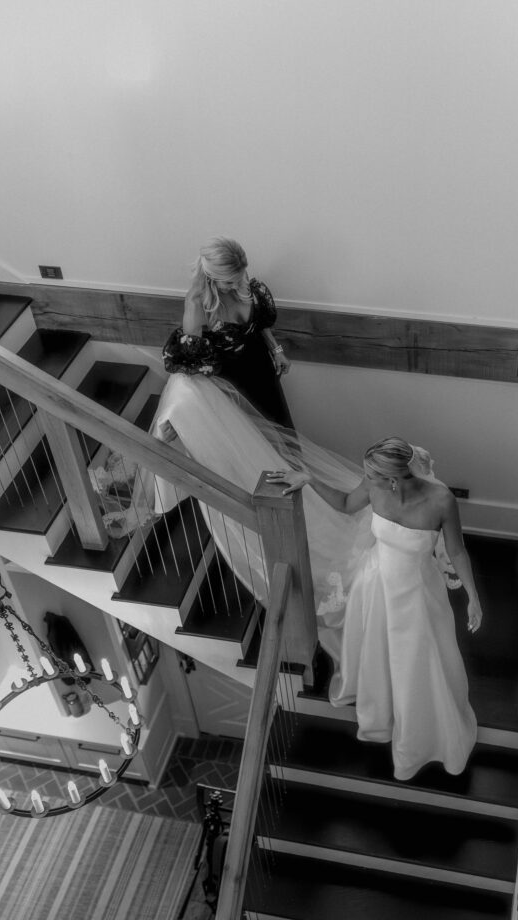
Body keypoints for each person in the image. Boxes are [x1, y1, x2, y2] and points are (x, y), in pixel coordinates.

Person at [267, 437, 481, 780]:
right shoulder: (373, 486)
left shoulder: (441, 500)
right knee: (379, 654)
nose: (364, 476)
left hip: (417, 595)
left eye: (371, 473)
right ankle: (380, 713)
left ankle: (419, 737)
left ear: (394, 479)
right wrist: (308, 480)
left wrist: (473, 596)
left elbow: (456, 551)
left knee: (417, 663)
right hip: (376, 585)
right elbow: (345, 504)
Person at [162, 237, 294, 428]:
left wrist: (277, 350)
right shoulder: (196, 303)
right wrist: (182, 412)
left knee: (280, 424)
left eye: (239, 278)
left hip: (261, 363)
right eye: (229, 283)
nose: (237, 285)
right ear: (211, 277)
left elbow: (259, 321)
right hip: (232, 379)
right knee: (252, 434)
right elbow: (192, 366)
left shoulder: (239, 278)